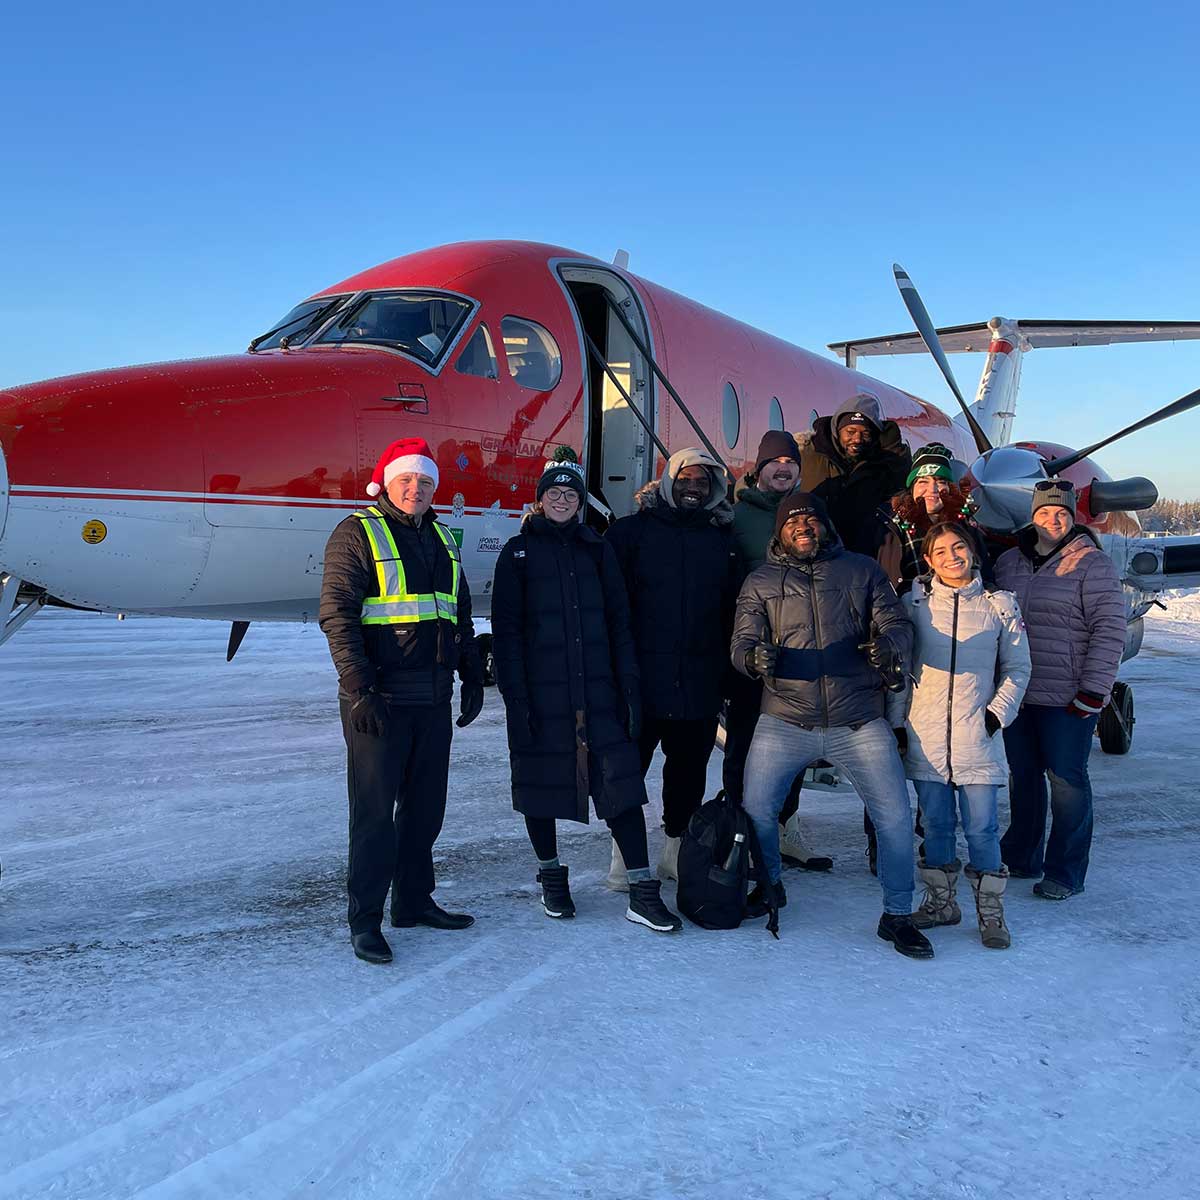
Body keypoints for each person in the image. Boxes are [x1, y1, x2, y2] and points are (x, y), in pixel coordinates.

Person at [732, 493, 932, 959]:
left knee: (896, 818)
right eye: (793, 522)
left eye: (811, 520)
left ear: (825, 526)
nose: (803, 527)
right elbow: (741, 643)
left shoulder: (862, 570)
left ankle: (898, 913)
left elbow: (897, 623)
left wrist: (889, 646)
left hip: (858, 718)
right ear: (780, 532)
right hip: (784, 718)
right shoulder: (760, 580)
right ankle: (769, 887)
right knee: (758, 811)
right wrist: (752, 659)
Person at [491, 455, 682, 932]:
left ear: (580, 503)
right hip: (542, 695)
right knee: (540, 786)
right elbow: (507, 632)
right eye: (553, 493)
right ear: (539, 501)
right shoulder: (517, 554)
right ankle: (552, 879)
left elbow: (620, 624)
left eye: (570, 494)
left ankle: (641, 891)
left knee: (621, 789)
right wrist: (516, 699)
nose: (561, 500)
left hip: (599, 692)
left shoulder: (597, 551)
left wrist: (629, 688)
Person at [320, 437, 485, 965]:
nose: (416, 489)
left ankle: (412, 901)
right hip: (380, 701)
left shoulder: (441, 536)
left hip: (433, 698)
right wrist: (359, 688)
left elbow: (456, 613)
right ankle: (365, 919)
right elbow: (338, 617)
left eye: (426, 482)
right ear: (387, 481)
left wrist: (471, 674)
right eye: (407, 480)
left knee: (424, 811)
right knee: (373, 815)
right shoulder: (357, 533)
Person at [892, 523, 1031, 949]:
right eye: (940, 551)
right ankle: (941, 903)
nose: (951, 556)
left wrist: (995, 716)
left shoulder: (999, 605)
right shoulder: (914, 603)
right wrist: (898, 723)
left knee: (982, 829)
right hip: (927, 735)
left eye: (959, 548)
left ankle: (991, 913)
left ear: (972, 552)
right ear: (929, 559)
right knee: (934, 824)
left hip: (978, 736)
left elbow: (1018, 668)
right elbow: (901, 671)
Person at [606, 448, 739, 883]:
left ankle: (673, 851)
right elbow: (610, 606)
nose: (693, 488)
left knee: (688, 773)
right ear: (668, 481)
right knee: (629, 772)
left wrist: (727, 675)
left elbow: (730, 612)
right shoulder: (630, 534)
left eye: (702, 482)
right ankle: (622, 858)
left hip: (699, 683)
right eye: (685, 480)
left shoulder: (722, 542)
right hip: (641, 681)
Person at [995, 480, 1126, 899]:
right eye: (1044, 512)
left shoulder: (1092, 564)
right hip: (1018, 693)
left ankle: (1065, 872)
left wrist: (1094, 690)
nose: (1053, 520)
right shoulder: (1009, 562)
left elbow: (1109, 629)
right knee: (1023, 776)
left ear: (1073, 518)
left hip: (1067, 697)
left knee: (1067, 780)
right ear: (1031, 516)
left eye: (1062, 513)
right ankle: (1020, 855)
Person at [725, 431, 832, 871]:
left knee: (794, 747)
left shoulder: (811, 514)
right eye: (775, 461)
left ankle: (787, 829)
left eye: (790, 461)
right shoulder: (735, 517)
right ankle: (737, 832)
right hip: (751, 652)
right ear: (759, 468)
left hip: (799, 651)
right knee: (743, 747)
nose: (783, 467)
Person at [799, 392, 913, 558]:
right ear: (838, 431)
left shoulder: (886, 465)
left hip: (866, 555)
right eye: (850, 431)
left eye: (865, 433)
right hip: (817, 554)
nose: (857, 439)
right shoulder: (809, 455)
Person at [876, 442, 993, 592]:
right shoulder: (890, 527)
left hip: (962, 609)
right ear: (912, 488)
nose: (932, 489)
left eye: (940, 481)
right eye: (923, 482)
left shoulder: (966, 527)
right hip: (909, 610)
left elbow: (986, 577)